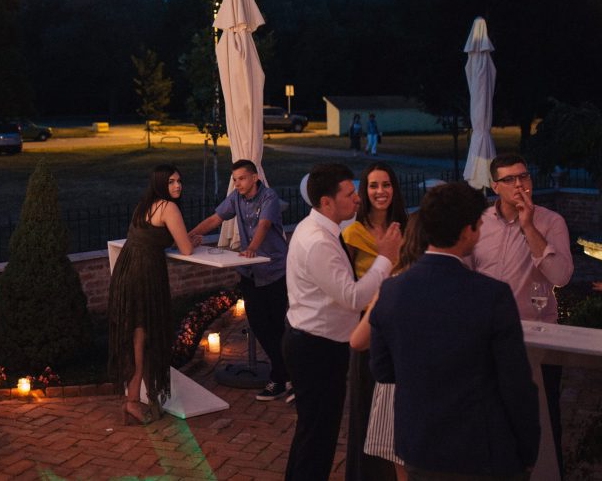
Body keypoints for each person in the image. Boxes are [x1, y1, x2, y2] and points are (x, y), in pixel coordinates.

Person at [370, 182, 539, 479]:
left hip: (419, 447)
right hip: (480, 451)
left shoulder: (392, 289)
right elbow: (517, 385)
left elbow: (383, 370)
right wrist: (527, 451)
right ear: (467, 231)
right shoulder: (492, 295)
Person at [282, 163, 401, 481]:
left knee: (312, 433)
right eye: (349, 194)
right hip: (316, 347)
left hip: (315, 340)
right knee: (317, 438)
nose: (358, 199)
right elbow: (353, 297)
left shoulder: (323, 230)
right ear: (326, 202)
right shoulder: (318, 242)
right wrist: (387, 259)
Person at [470, 154, 573, 476]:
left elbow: (561, 276)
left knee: (541, 420)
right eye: (511, 180)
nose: (520, 185)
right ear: (494, 186)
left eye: (524, 177)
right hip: (488, 339)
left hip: (536, 337)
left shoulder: (550, 221)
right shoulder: (479, 222)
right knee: (490, 417)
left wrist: (529, 227)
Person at [187, 159, 290, 400]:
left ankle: (281, 377)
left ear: (255, 178)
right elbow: (215, 219)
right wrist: (189, 235)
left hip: (273, 270)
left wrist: (252, 247)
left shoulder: (269, 198)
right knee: (259, 324)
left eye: (241, 178)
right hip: (249, 271)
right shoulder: (235, 198)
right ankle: (284, 374)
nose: (237, 183)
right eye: (235, 179)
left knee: (276, 326)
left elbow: (264, 225)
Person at [108, 164, 195, 424]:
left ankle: (137, 398)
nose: (177, 186)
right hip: (144, 275)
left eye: (179, 180)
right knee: (141, 338)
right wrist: (189, 240)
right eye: (171, 182)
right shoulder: (169, 207)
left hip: (126, 271)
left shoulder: (145, 204)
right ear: (160, 184)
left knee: (136, 335)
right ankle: (133, 402)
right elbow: (187, 250)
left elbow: (153, 237)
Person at [350, 211, 430, 481]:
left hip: (398, 387)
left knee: (403, 469)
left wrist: (380, 291)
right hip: (440, 387)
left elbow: (358, 340)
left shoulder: (394, 286)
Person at [342, 163, 408, 481]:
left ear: (394, 188)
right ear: (364, 192)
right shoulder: (352, 234)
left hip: (403, 329)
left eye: (385, 184)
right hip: (368, 327)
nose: (380, 191)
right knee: (365, 404)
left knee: (398, 409)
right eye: (372, 186)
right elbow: (348, 288)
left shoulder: (406, 230)